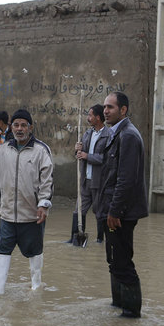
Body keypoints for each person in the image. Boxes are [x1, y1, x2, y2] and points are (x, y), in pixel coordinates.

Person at [0, 109, 53, 299]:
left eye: (23, 125)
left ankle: (36, 286)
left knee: (34, 250)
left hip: (32, 214)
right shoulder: (3, 150)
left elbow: (47, 181)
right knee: (2, 248)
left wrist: (43, 204)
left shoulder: (41, 151)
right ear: (11, 127)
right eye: (16, 125)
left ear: (30, 128)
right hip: (8, 213)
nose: (19, 129)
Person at [96, 91, 148, 318]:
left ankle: (130, 314)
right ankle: (118, 305)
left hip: (121, 213)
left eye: (111, 107)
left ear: (123, 110)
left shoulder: (128, 136)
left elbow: (126, 180)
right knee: (114, 260)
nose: (105, 111)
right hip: (112, 209)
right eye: (105, 107)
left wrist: (114, 211)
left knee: (123, 263)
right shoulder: (115, 133)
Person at [67, 104, 109, 244]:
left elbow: (105, 159)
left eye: (90, 115)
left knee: (100, 213)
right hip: (85, 180)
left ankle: (100, 240)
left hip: (99, 181)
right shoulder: (87, 133)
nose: (88, 118)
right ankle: (75, 238)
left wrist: (87, 156)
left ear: (98, 117)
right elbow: (80, 155)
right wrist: (77, 150)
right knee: (78, 210)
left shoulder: (108, 135)